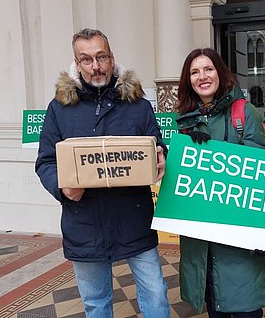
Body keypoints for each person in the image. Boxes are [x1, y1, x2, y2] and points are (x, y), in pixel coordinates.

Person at [35, 28, 170, 318]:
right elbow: (45, 162)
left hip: (134, 218)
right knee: (96, 303)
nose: (95, 66)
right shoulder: (59, 110)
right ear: (76, 63)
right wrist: (63, 188)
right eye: (86, 59)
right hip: (84, 223)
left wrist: (161, 159)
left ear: (112, 58)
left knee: (156, 292)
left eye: (101, 57)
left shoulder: (139, 106)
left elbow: (156, 147)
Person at [175, 48, 265, 317]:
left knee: (245, 308)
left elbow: (262, 176)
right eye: (195, 72)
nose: (202, 77)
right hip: (201, 241)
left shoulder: (244, 113)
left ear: (220, 72)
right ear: (189, 80)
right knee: (214, 307)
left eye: (208, 69)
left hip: (239, 240)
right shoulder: (184, 122)